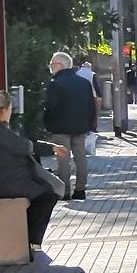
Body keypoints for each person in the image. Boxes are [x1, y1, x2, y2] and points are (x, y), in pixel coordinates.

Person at [0, 90, 61, 256]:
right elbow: (23, 147)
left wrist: (50, 148)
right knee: (47, 195)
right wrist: (49, 148)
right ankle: (29, 240)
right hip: (2, 183)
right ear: (3, 111)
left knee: (44, 192)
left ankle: (28, 240)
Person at [43, 51, 97, 199]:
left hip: (60, 128)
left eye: (52, 64)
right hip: (80, 126)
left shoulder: (55, 83)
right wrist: (90, 124)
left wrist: (47, 124)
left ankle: (64, 191)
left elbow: (50, 106)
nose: (50, 67)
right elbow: (91, 105)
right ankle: (80, 189)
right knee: (80, 157)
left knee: (63, 159)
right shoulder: (84, 83)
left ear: (59, 65)